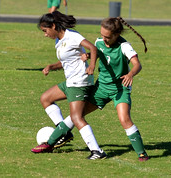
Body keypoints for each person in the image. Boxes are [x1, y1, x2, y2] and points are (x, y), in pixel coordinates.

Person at [33, 16, 149, 161]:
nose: (103, 39)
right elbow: (99, 52)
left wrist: (131, 74)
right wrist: (87, 56)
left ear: (116, 35)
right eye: (102, 35)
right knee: (76, 116)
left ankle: (142, 153)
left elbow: (137, 64)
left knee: (124, 119)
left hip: (119, 88)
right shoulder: (99, 42)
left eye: (107, 37)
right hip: (101, 88)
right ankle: (51, 143)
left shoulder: (124, 46)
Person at [31, 11, 107, 160]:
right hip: (70, 81)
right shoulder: (58, 41)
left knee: (76, 117)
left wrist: (91, 66)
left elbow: (93, 48)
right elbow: (67, 61)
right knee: (45, 98)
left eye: (45, 31)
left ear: (53, 26)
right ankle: (64, 132)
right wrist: (51, 66)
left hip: (79, 82)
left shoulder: (72, 36)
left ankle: (97, 151)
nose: (45, 34)